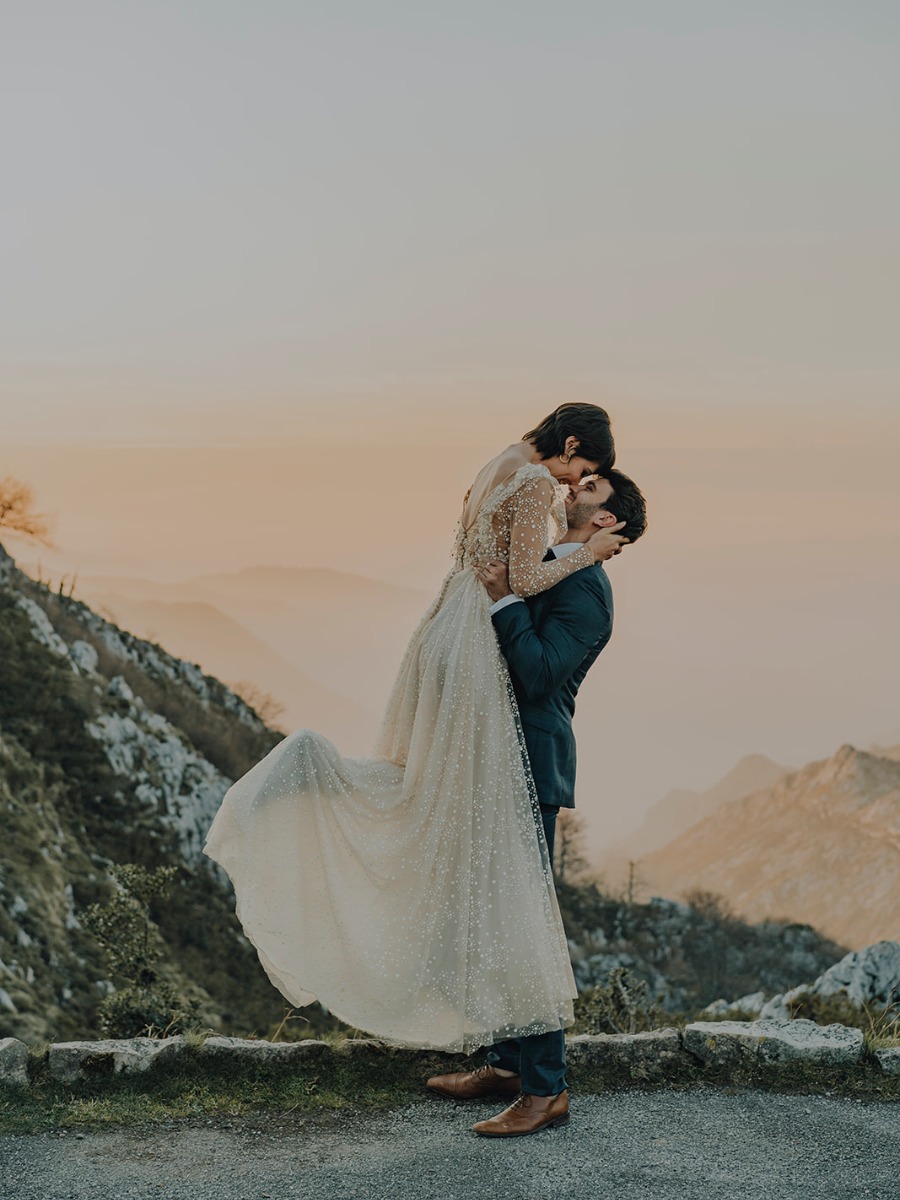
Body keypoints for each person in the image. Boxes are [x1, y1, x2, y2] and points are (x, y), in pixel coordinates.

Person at [203, 403, 627, 1059]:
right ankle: (525, 1062)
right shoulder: (537, 482)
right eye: (586, 469)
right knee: (481, 823)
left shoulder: (498, 462)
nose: (576, 485)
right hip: (476, 643)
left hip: (440, 629)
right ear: (570, 444)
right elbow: (525, 579)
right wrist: (587, 553)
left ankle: (494, 1050)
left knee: (436, 793)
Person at [426, 468, 648, 1136]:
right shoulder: (551, 565)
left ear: (607, 523)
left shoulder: (589, 592)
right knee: (494, 917)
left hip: (532, 762)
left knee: (524, 925)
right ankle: (506, 1063)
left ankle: (546, 1090)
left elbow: (542, 672)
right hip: (498, 760)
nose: (572, 491)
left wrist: (501, 602)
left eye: (589, 492)